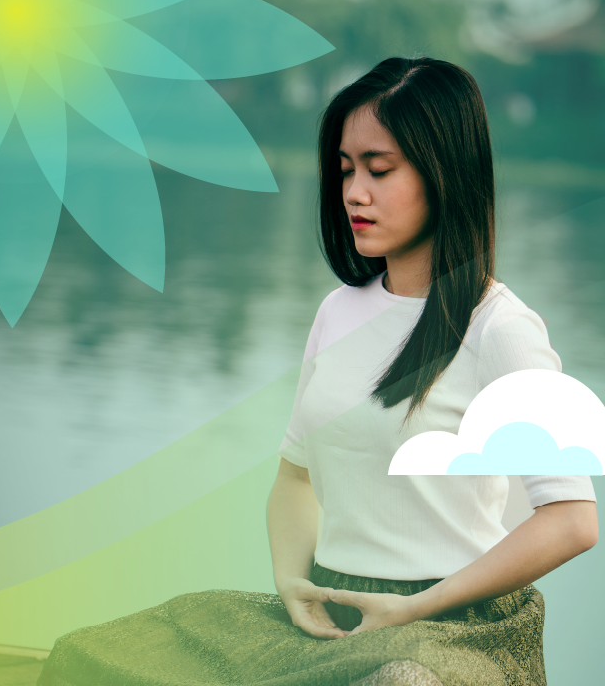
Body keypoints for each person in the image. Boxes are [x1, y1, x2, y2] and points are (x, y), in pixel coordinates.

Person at [36, 57, 598, 686]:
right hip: (337, 615)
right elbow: (294, 479)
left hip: (454, 629)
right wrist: (292, 583)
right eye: (345, 170)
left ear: (446, 173)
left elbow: (572, 520)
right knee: (94, 656)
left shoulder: (500, 328)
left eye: (380, 170)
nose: (355, 192)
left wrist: (415, 607)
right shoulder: (339, 313)